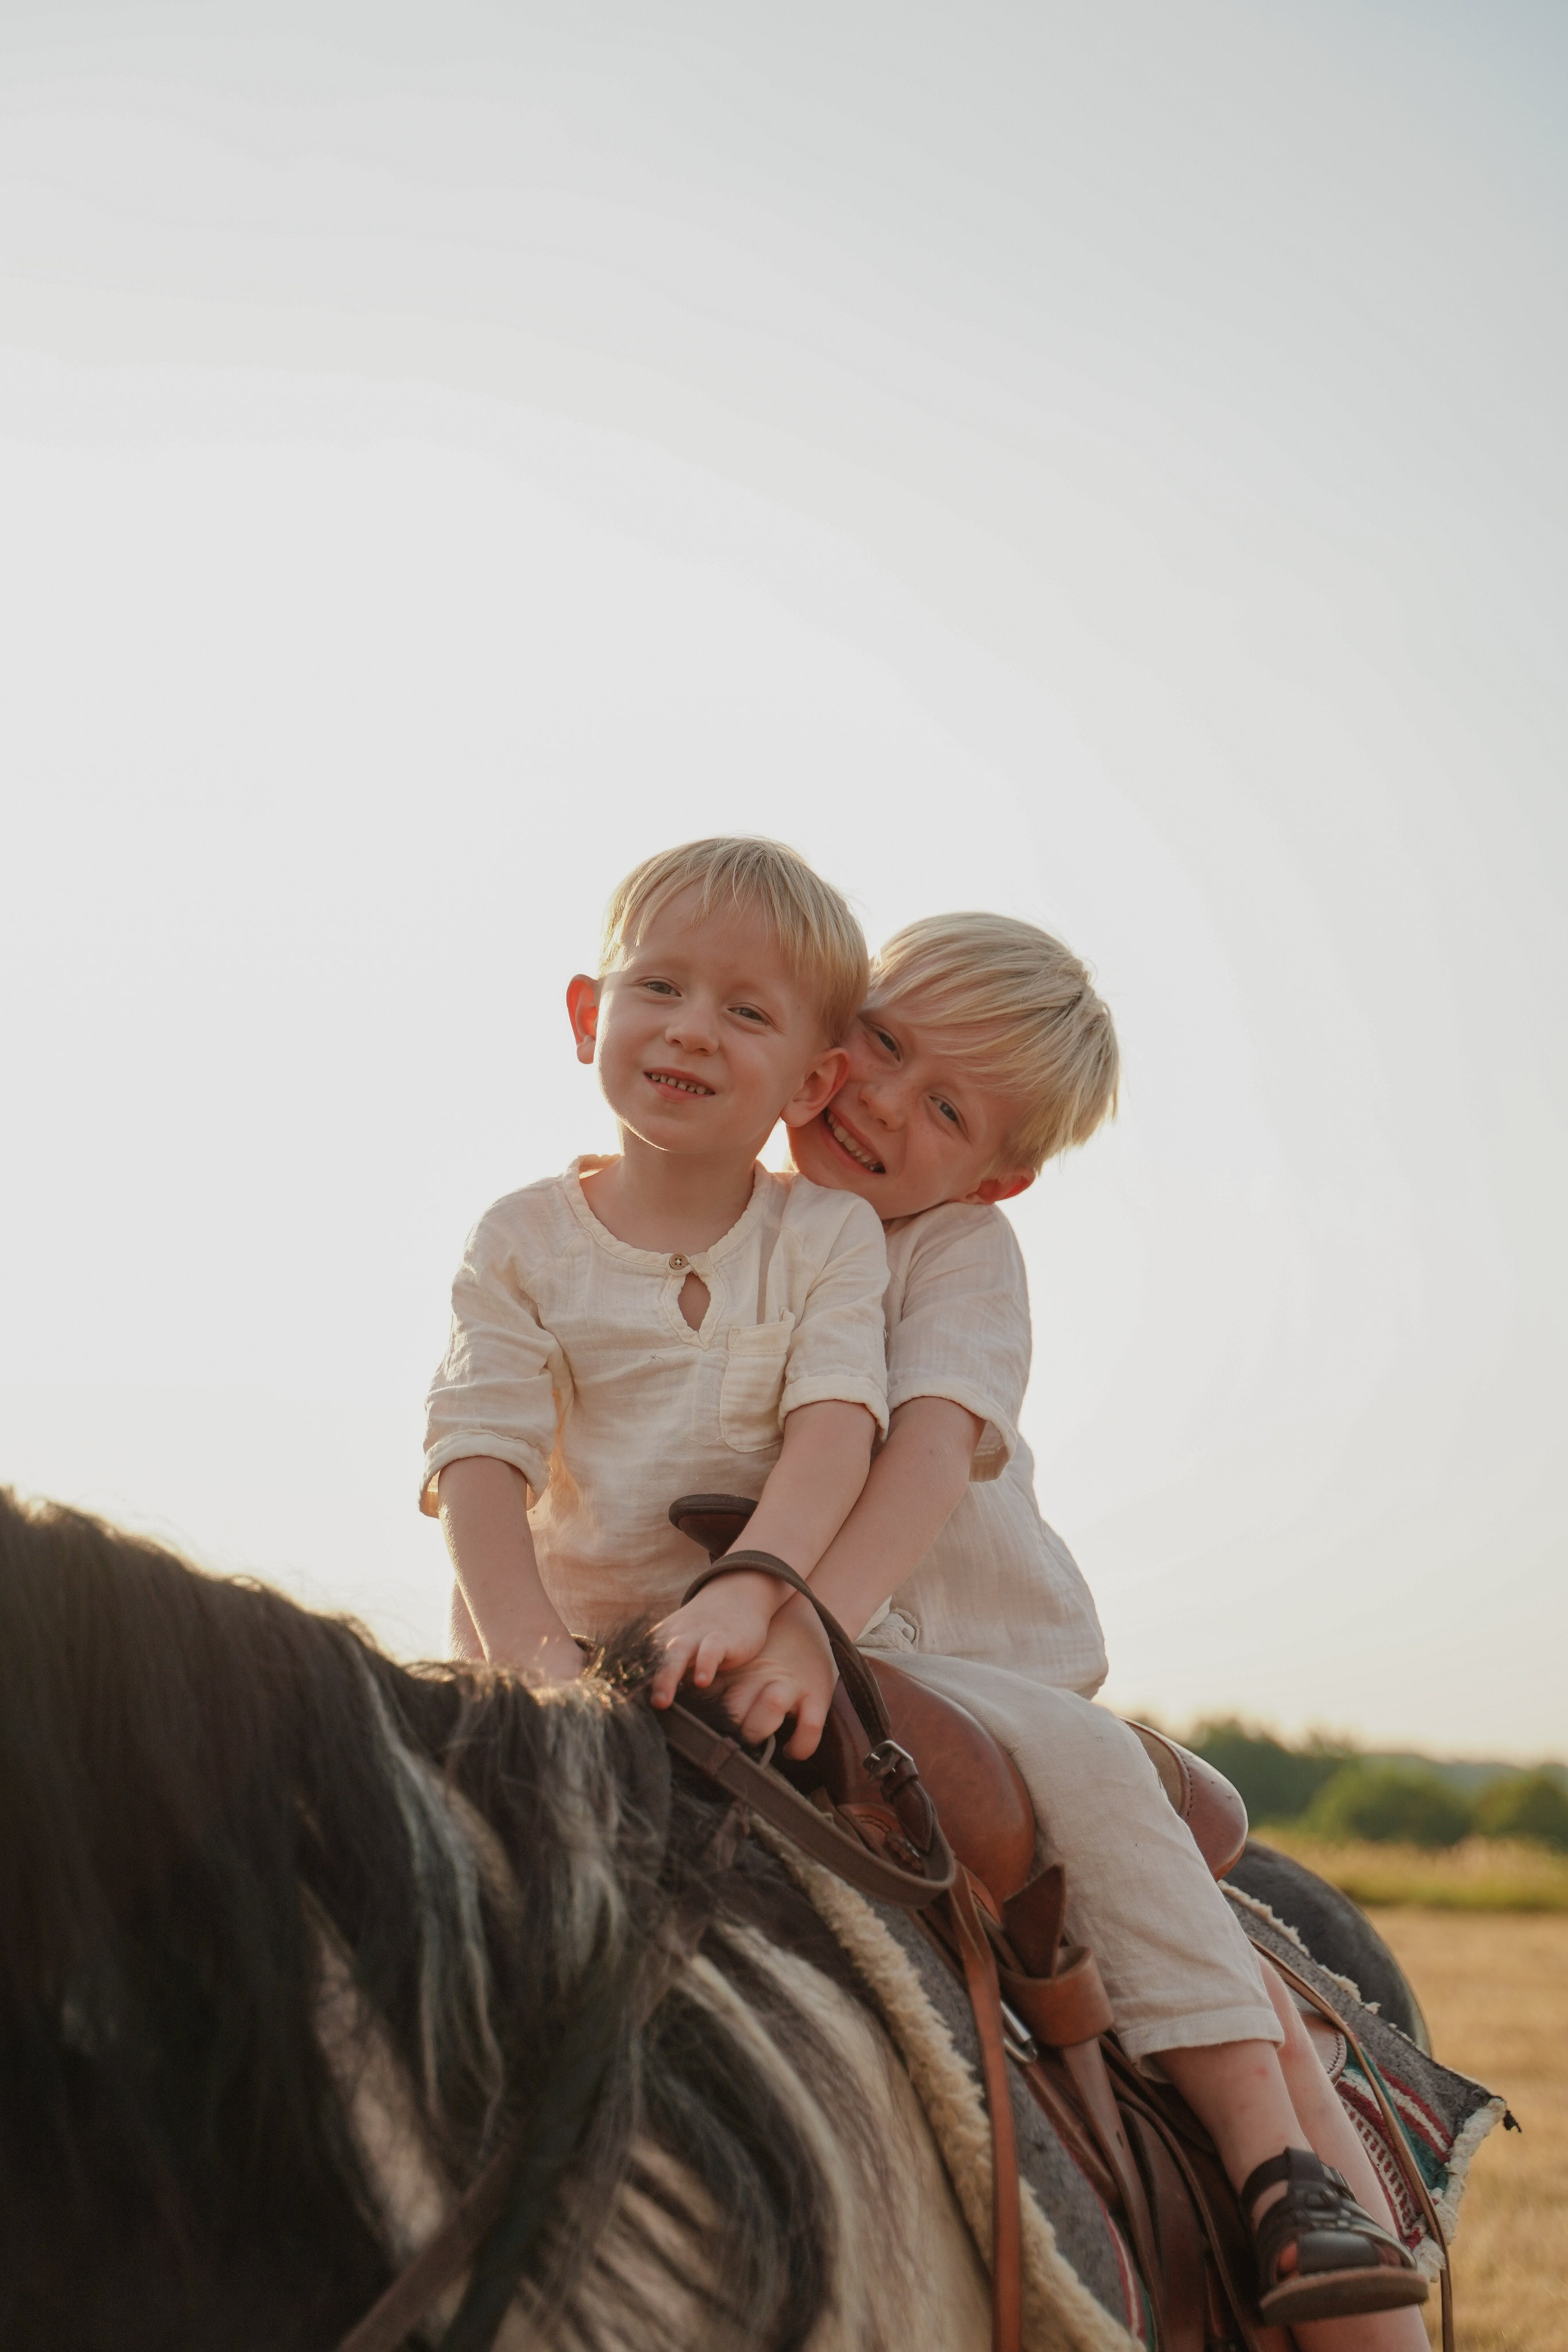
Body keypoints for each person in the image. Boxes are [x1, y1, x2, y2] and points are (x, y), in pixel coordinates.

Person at [653, 912, 1429, 2342]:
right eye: (882, 1042)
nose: (884, 1098)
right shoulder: (721, 1213)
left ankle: (1282, 2171)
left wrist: (824, 1626)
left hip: (950, 1661)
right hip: (743, 1631)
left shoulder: (954, 1253)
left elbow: (928, 1451)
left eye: (943, 1104)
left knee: (1086, 1775)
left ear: (994, 1172)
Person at [421, 835, 891, 1686]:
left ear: (811, 1086)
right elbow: (480, 1452)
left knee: (937, 1790)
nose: (690, 1030)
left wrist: (746, 1595)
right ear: (588, 1017)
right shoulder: (521, 1240)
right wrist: (539, 1663)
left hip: (769, 1642)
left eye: (748, 1013)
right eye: (661, 986)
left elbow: (835, 1432)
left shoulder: (828, 1235)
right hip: (558, 1649)